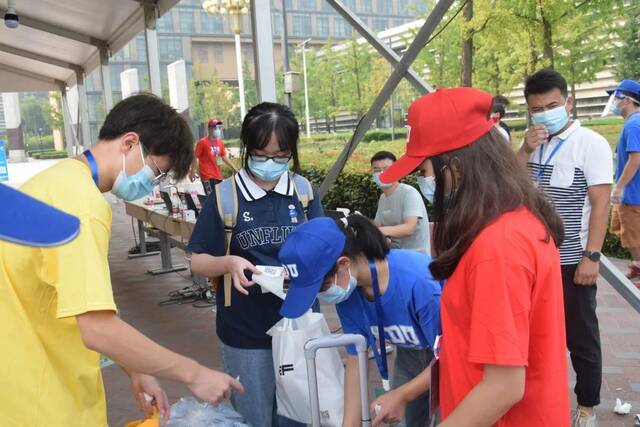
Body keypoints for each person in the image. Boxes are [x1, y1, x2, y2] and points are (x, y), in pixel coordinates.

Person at [0, 94, 243, 427]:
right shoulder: (82, 208)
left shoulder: (53, 181)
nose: (152, 183)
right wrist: (195, 373)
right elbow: (97, 329)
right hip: (46, 402)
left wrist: (135, 366)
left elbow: (69, 302)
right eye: (157, 171)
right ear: (130, 143)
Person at [380, 87, 570, 426]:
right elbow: (467, 347)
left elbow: (502, 388)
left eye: (429, 170)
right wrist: (407, 392)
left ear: (455, 166)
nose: (430, 182)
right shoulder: (514, 221)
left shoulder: (499, 246)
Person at [188, 102, 323, 427]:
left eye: (281, 156)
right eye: (263, 154)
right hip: (246, 333)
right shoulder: (225, 197)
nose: (271, 163)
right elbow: (197, 261)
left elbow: (323, 250)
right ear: (247, 149)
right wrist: (228, 262)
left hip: (299, 327)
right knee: (255, 418)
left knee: (301, 417)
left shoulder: (303, 193)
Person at [516, 69, 613, 427]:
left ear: (568, 102)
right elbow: (511, 184)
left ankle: (586, 408)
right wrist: (525, 147)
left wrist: (592, 256)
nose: (544, 113)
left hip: (572, 261)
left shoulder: (591, 143)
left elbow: (601, 203)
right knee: (535, 334)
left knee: (581, 336)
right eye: (536, 108)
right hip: (532, 261)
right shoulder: (533, 141)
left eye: (552, 105)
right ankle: (538, 398)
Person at [279, 215, 441, 427]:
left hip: (456, 356)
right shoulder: (349, 293)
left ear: (343, 263)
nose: (322, 295)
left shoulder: (419, 283)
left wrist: (402, 395)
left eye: (321, 287)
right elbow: (356, 359)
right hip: (411, 356)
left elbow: (448, 357)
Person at [607, 80, 640, 283]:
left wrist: (619, 188)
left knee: (634, 235)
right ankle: (637, 265)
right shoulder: (632, 123)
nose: (613, 102)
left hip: (632, 193)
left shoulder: (634, 124)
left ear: (627, 99)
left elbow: (635, 158)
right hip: (630, 192)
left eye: (616, 98)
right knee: (627, 234)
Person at [371, 151, 431, 254]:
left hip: (416, 257)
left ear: (396, 171)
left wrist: (378, 231)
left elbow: (409, 228)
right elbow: (377, 226)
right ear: (372, 173)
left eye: (387, 169)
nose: (381, 173)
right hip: (394, 254)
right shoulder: (383, 198)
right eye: (376, 170)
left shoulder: (409, 193)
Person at [195, 118, 237, 194]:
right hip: (207, 176)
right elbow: (195, 157)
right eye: (215, 127)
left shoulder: (220, 142)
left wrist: (234, 168)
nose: (217, 130)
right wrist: (192, 172)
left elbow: (223, 157)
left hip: (218, 176)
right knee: (210, 197)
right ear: (209, 129)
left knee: (219, 198)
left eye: (219, 128)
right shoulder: (202, 142)